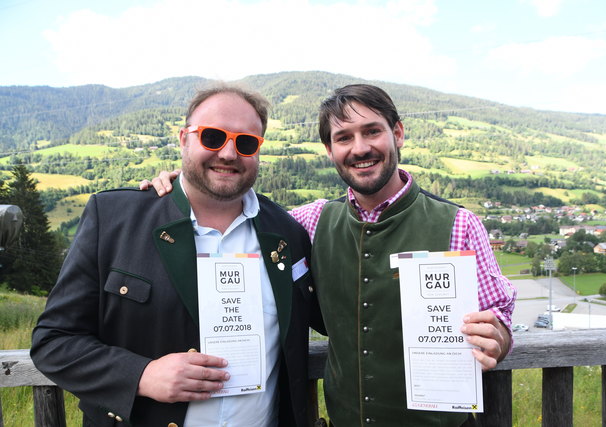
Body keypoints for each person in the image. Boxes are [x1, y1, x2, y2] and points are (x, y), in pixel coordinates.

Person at [143, 84, 516, 426]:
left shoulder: (460, 224)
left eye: (372, 131)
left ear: (397, 133)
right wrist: (189, 183)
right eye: (343, 137)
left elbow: (499, 316)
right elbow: (239, 213)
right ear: (330, 150)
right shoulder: (312, 220)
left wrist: (497, 337)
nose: (360, 148)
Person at [31, 84, 321, 427]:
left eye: (245, 142)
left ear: (259, 150)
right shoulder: (113, 219)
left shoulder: (288, 234)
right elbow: (53, 342)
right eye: (212, 137)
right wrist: (141, 375)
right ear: (184, 139)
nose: (228, 153)